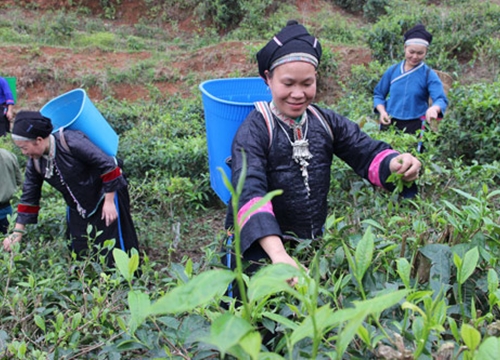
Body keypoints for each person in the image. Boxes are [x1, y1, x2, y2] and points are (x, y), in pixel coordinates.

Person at [223, 20, 422, 290]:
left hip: (310, 244)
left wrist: (396, 163)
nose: (298, 93)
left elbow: (365, 151)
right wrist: (279, 255)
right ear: (267, 79)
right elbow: (250, 192)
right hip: (262, 248)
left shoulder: (325, 122)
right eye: (288, 83)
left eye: (307, 83)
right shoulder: (254, 130)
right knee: (261, 318)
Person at [3, 111, 139, 266]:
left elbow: (108, 165)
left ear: (39, 140)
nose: (23, 153)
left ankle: (127, 282)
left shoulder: (71, 141)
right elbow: (29, 195)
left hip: (106, 194)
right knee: (79, 247)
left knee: (115, 244)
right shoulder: (35, 162)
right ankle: (91, 283)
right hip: (77, 204)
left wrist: (109, 202)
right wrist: (17, 233)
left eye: (24, 148)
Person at [373, 24, 448, 147]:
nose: (415, 57)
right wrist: (382, 112)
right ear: (404, 48)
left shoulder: (428, 74)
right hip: (390, 122)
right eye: (411, 52)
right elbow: (379, 94)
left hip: (417, 124)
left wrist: (434, 108)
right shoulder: (393, 71)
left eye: (420, 53)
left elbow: (440, 99)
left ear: (426, 52)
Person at [0, 148, 22, 234]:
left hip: (5, 209)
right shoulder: (9, 155)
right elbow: (19, 181)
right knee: (8, 243)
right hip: (6, 210)